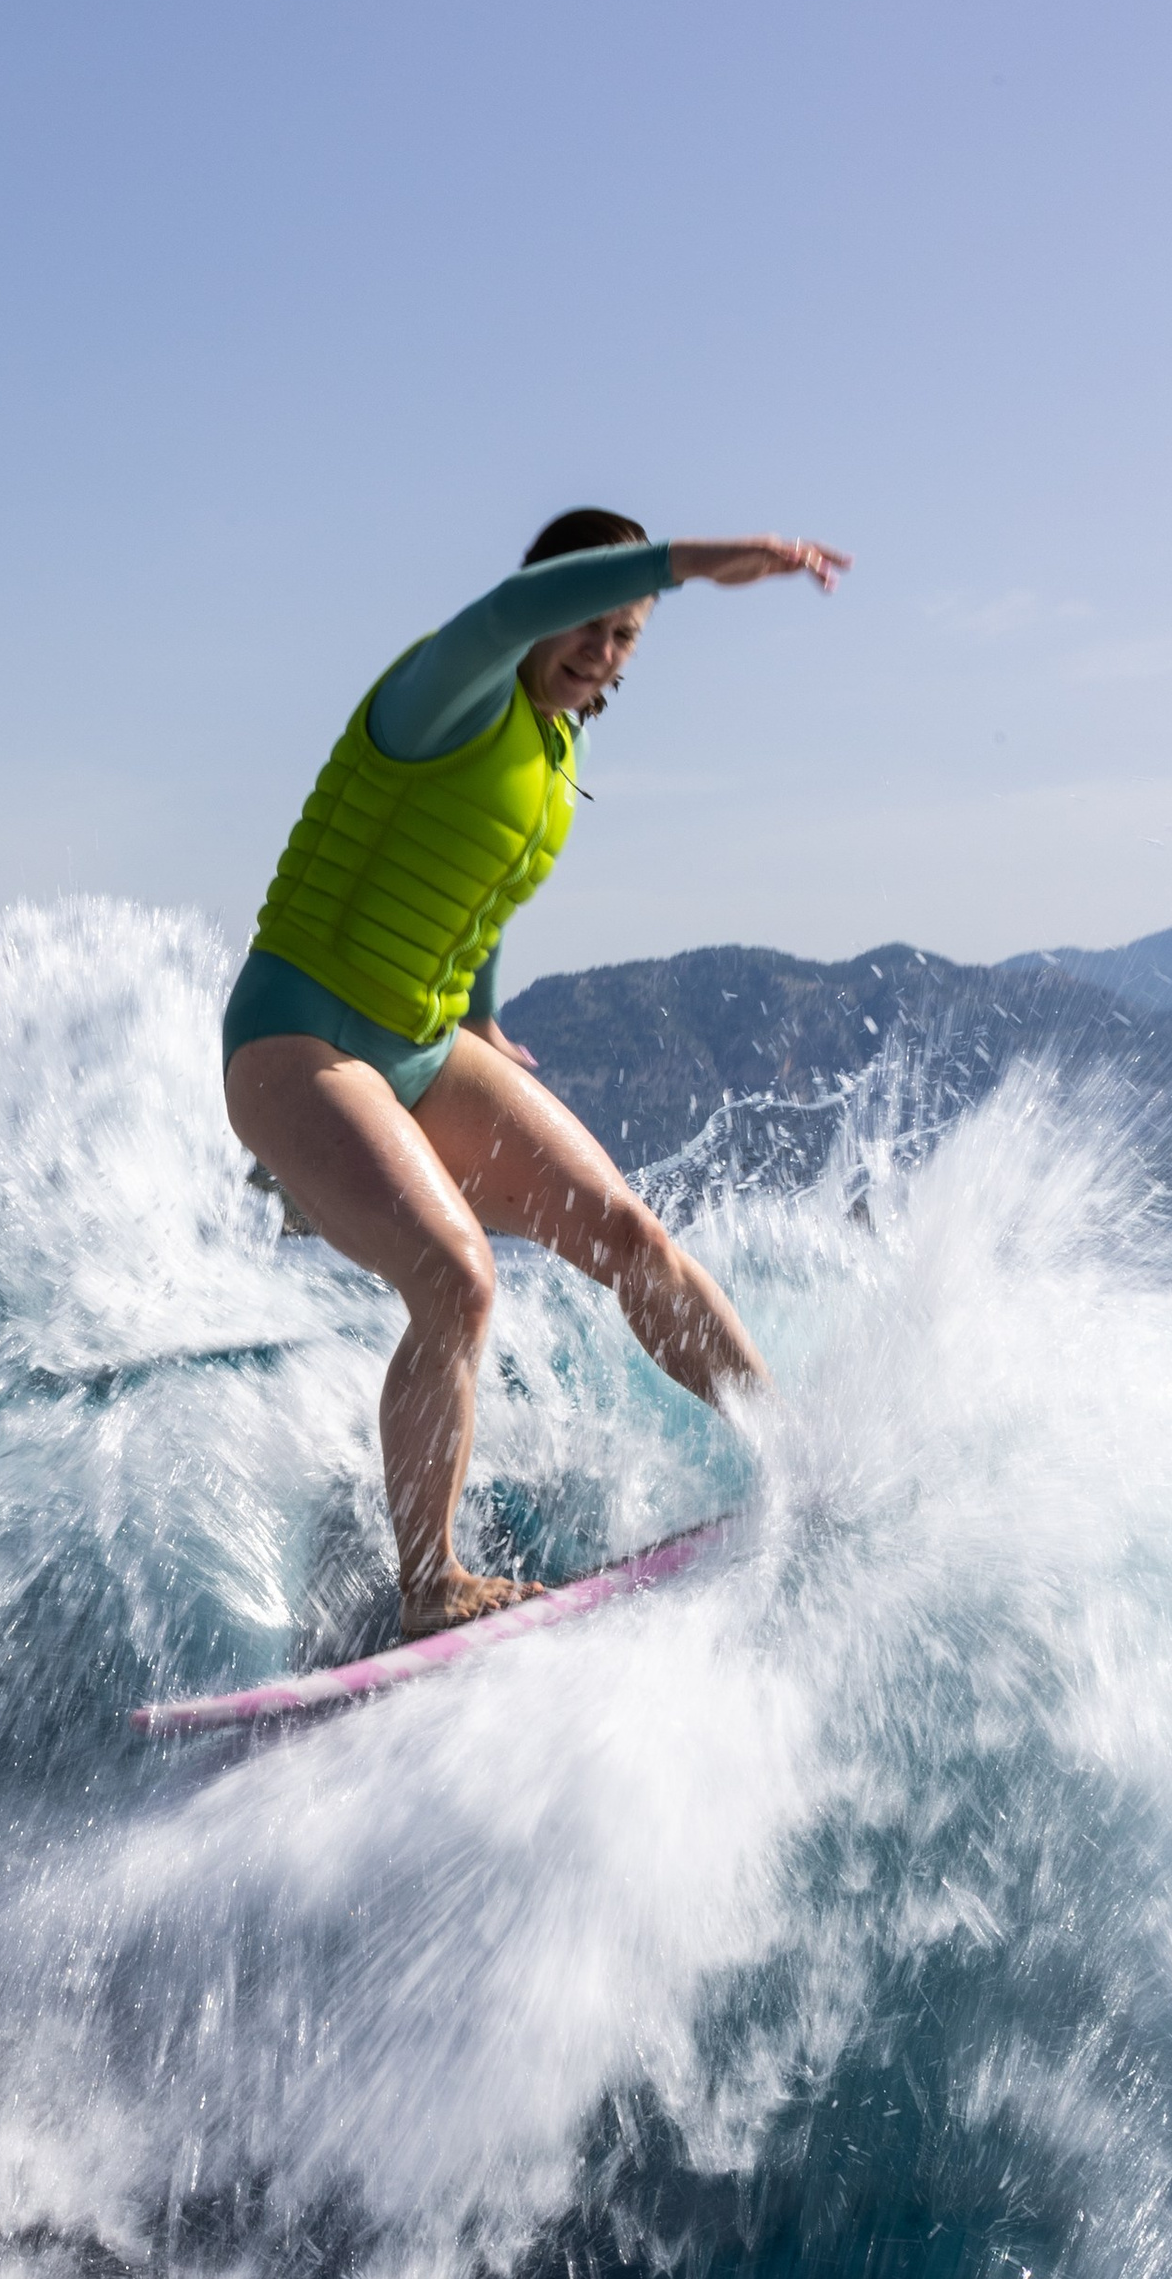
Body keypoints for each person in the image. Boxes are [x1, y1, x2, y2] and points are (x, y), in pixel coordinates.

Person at [222, 508, 849, 1635]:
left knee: (628, 1235)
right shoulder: (444, 688)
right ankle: (432, 1587)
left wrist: (486, 1014)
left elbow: (484, 881)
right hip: (296, 1039)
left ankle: (798, 1457)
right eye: (587, 622)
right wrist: (696, 564)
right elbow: (511, 616)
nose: (599, 652)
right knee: (457, 1283)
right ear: (543, 606)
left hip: (421, 1043)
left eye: (625, 638)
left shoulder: (561, 750)